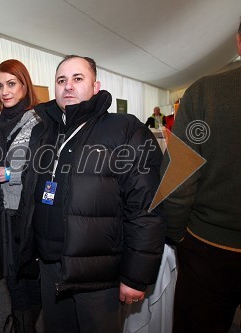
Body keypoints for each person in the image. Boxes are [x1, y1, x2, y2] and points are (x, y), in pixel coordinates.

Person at [18, 55, 165, 332]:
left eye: (77, 78)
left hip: (99, 277)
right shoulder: (44, 131)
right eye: (61, 80)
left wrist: (135, 276)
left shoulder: (125, 130)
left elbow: (146, 207)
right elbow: (32, 194)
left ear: (96, 86)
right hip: (50, 268)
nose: (68, 86)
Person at [162, 21, 241, 333]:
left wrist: (177, 234)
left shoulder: (206, 91)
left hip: (209, 247)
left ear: (238, 42)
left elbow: (178, 181)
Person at [0, 59, 42, 332]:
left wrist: (10, 174)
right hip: (2, 205)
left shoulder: (36, 121)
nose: (4, 91)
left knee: (24, 271)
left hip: (25, 207)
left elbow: (42, 167)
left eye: (11, 84)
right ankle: (23, 322)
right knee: (11, 273)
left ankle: (25, 324)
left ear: (24, 85)